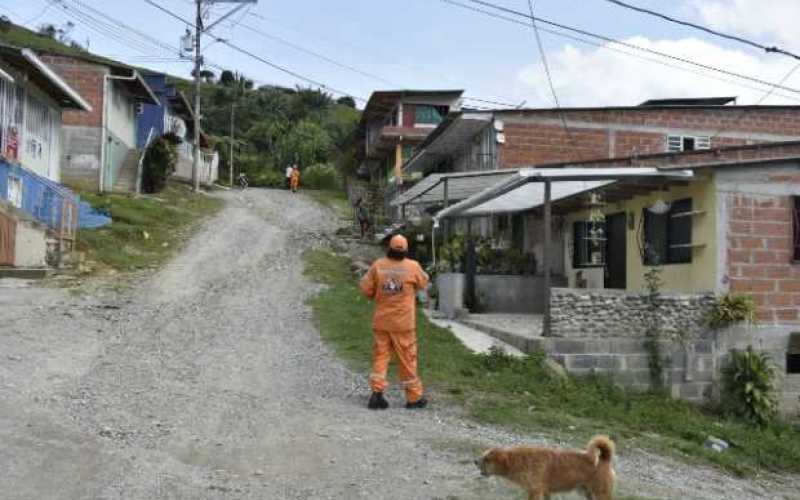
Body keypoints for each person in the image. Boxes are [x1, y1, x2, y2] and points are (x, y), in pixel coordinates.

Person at [359, 234, 430, 410]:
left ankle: (376, 395)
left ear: (388, 248)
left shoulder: (378, 265)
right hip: (403, 324)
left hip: (382, 322)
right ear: (405, 251)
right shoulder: (412, 266)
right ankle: (414, 398)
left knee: (381, 357)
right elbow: (423, 282)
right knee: (407, 359)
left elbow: (366, 289)